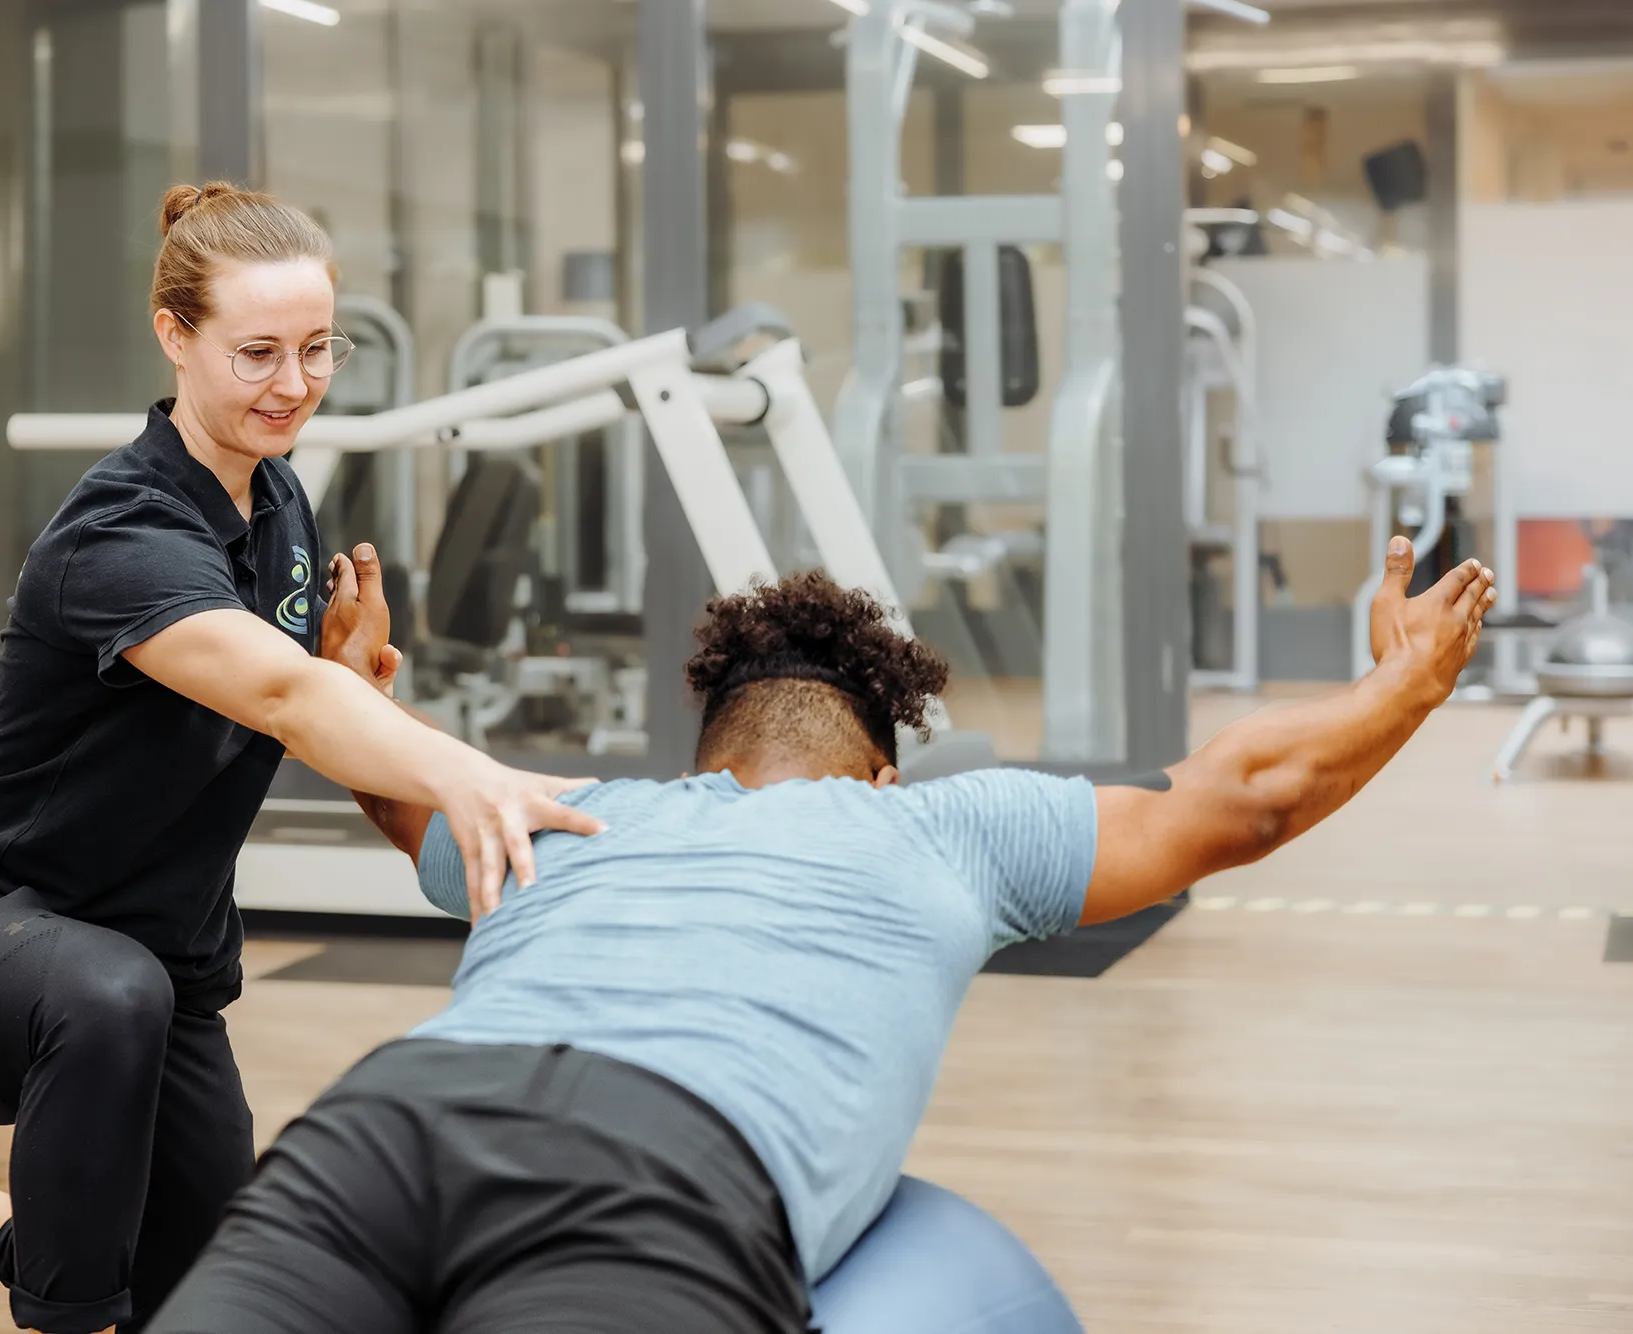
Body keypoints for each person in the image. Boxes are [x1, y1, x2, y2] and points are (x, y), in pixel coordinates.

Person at [144, 538, 1498, 1334]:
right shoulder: (936, 828)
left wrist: (364, 689)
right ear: (880, 769)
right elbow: (1243, 797)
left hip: (382, 1121)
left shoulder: (573, 814)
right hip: (653, 1172)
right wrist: (1405, 686)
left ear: (705, 753)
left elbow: (405, 802)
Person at [0, 182, 601, 1334]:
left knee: (194, 1296)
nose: (294, 384)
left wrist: (366, 693)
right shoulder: (117, 533)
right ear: (173, 335)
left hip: (160, 980)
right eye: (259, 353)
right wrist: (469, 768)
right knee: (105, 1005)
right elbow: (281, 691)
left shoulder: (279, 502)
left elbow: (307, 696)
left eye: (317, 350)